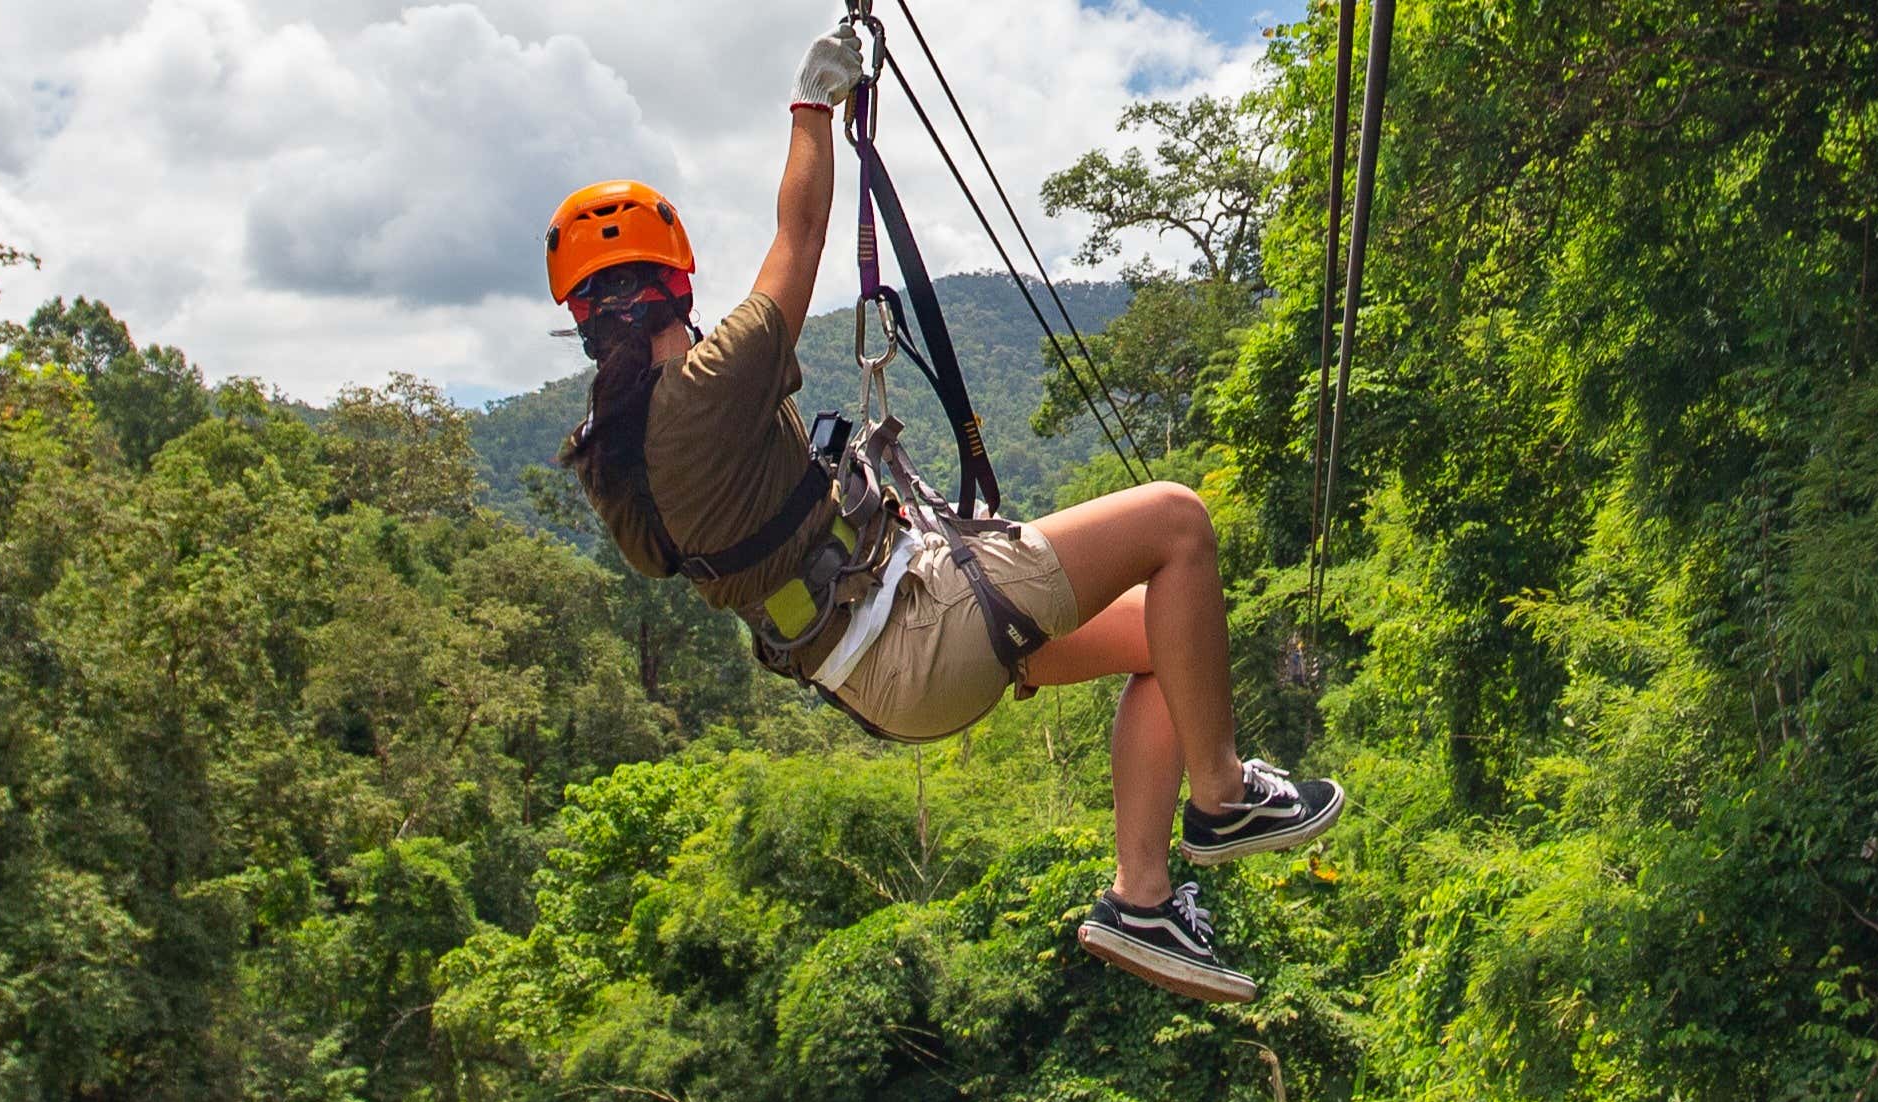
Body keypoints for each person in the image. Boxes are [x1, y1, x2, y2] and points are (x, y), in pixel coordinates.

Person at [536, 20, 1348, 1005]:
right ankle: (1220, 800)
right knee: (1177, 523)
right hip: (915, 629)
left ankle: (1142, 899)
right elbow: (799, 237)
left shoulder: (612, 464)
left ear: (578, 316)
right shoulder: (708, 385)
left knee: (1160, 649)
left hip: (871, 668)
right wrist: (811, 106)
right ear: (677, 277)